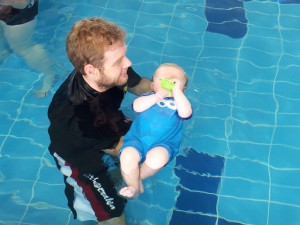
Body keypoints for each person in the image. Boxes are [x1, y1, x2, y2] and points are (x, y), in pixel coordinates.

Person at [47, 18, 152, 225]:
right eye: (119, 61)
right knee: (113, 215)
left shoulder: (110, 71)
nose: (128, 63)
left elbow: (139, 85)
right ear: (91, 70)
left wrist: (162, 89)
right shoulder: (79, 114)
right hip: (80, 158)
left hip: (107, 127)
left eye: (124, 55)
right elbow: (120, 148)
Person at [119, 63, 193, 198]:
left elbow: (186, 113)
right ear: (152, 86)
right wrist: (155, 97)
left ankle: (137, 180)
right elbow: (137, 107)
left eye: (175, 81)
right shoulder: (148, 97)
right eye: (162, 79)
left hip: (164, 144)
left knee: (157, 159)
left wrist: (177, 92)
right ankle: (134, 187)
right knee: (127, 156)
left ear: (184, 89)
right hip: (137, 140)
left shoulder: (181, 103)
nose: (169, 82)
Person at [0, 0, 57, 97]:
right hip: (9, 10)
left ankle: (49, 73)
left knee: (24, 48)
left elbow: (22, 2)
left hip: (18, 15)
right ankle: (4, 52)